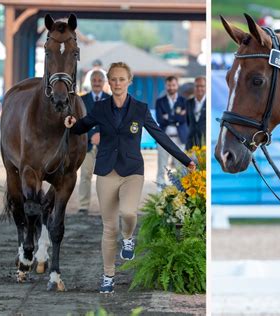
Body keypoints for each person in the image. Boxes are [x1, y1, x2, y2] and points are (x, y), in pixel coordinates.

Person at [64, 62, 196, 294]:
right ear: (109, 81)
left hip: (132, 171)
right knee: (108, 228)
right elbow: (82, 126)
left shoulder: (140, 109)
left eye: (121, 79)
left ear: (129, 81)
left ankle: (128, 237)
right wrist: (70, 124)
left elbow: (160, 136)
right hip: (106, 171)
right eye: (113, 79)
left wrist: (186, 160)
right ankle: (108, 276)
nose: (116, 83)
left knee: (128, 213)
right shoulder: (101, 108)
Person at [78, 70, 110, 214]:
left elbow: (114, 122)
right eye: (94, 80)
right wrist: (92, 135)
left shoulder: (111, 100)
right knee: (85, 175)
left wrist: (101, 135)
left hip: (106, 145)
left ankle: (106, 206)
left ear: (104, 82)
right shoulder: (82, 100)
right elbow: (80, 122)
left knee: (105, 178)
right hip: (88, 145)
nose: (97, 83)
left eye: (99, 80)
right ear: (90, 82)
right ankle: (83, 205)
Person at [155, 76, 188, 188]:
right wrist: (177, 116)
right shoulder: (160, 101)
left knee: (180, 165)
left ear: (177, 85)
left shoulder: (184, 101)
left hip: (179, 138)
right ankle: (160, 186)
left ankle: (181, 187)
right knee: (162, 164)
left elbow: (184, 119)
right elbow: (160, 120)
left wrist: (168, 116)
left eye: (173, 85)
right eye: (169, 85)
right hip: (164, 138)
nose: (171, 87)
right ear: (166, 86)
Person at [185, 76, 206, 150]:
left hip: (205, 144)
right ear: (194, 87)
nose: (199, 88)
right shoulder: (188, 103)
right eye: (197, 86)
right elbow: (187, 122)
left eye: (202, 86)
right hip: (191, 143)